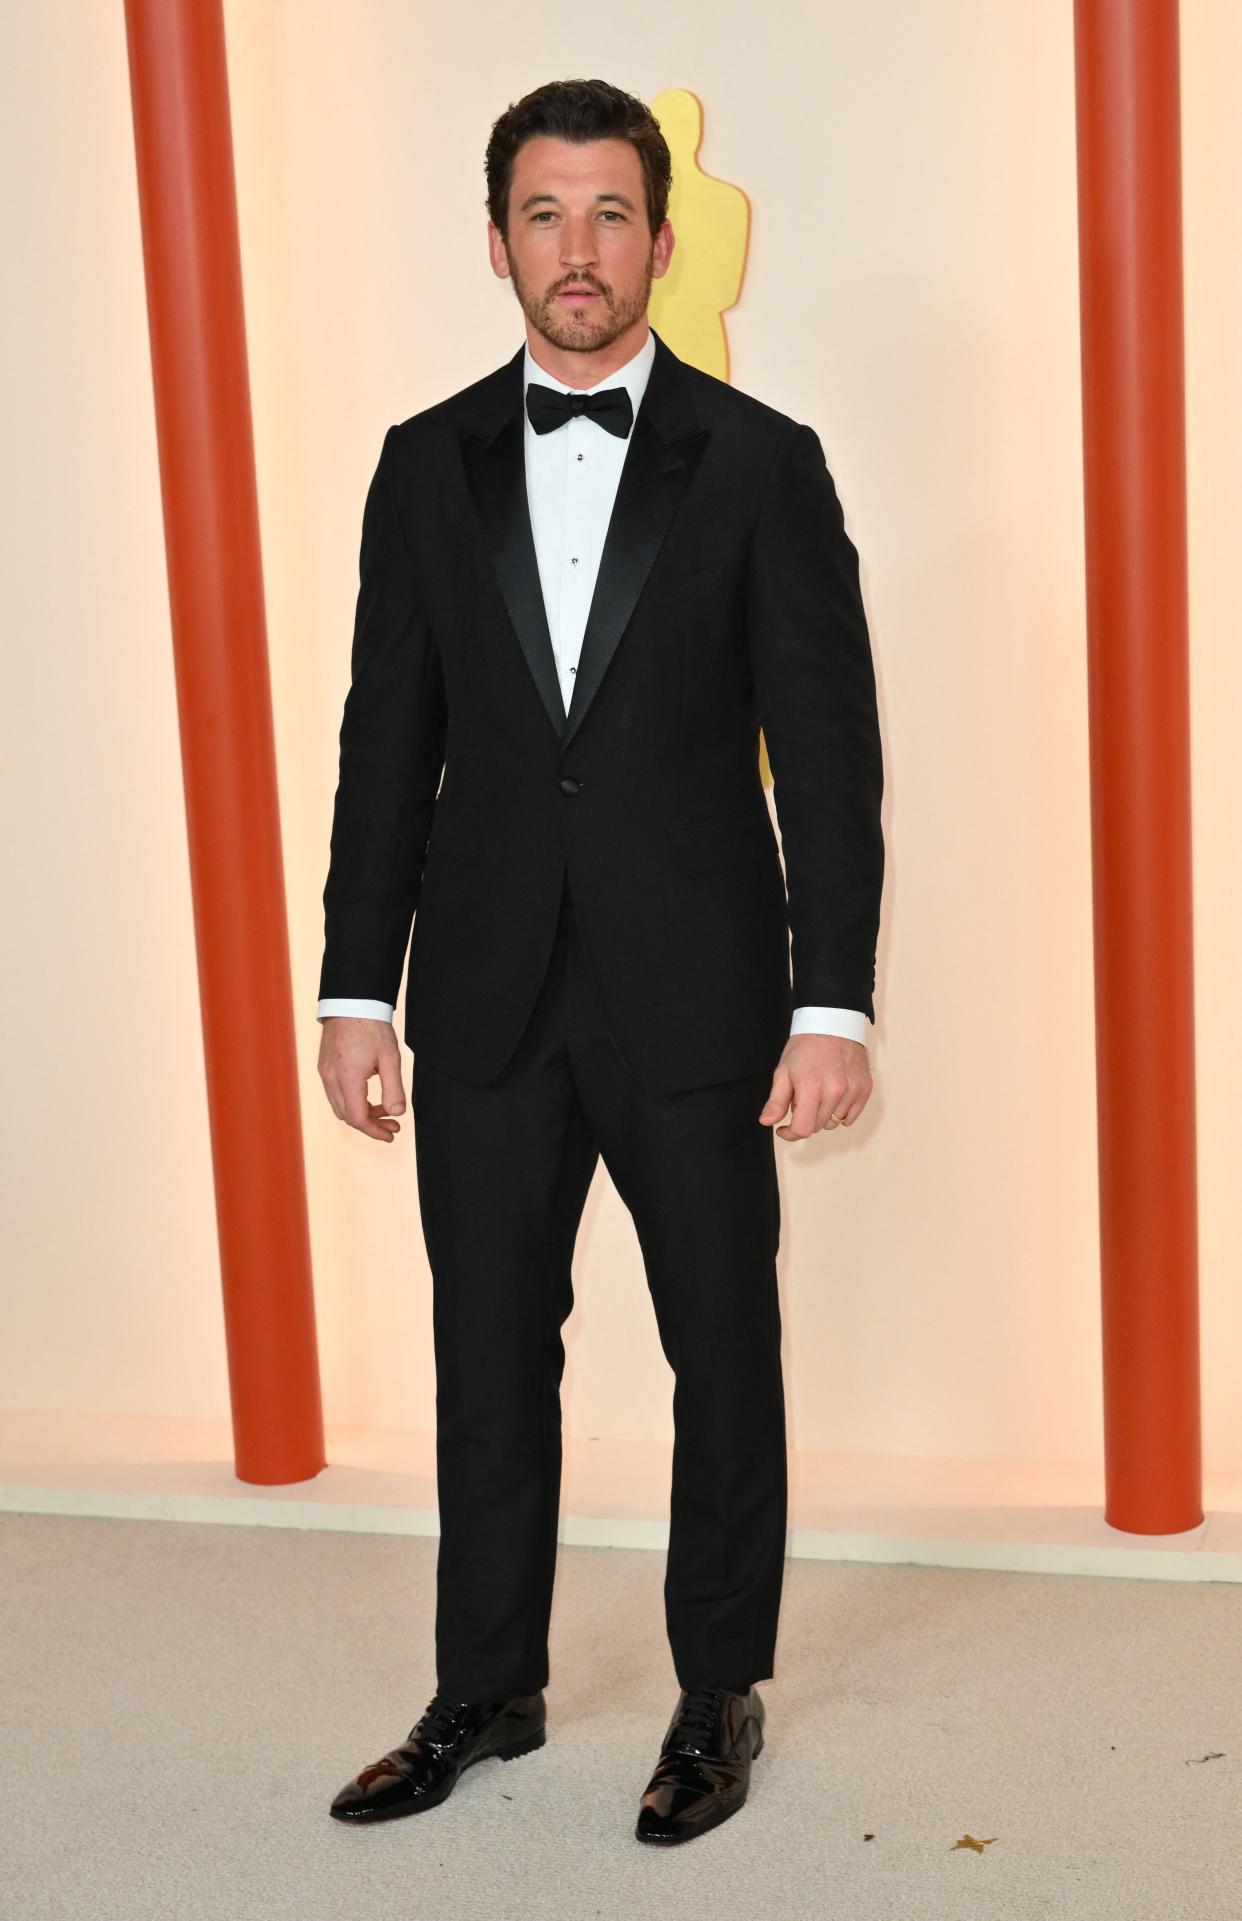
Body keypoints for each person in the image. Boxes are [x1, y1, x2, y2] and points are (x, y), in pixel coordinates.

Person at [315, 76, 884, 1847]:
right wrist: (352, 985)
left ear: (659, 235)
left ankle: (717, 1687)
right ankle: (484, 1682)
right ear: (497, 240)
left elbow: (831, 749)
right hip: (481, 988)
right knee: (486, 1353)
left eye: (610, 214)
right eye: (544, 215)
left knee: (721, 1346)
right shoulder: (421, 462)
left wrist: (831, 994)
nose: (577, 249)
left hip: (700, 995)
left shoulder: (764, 461)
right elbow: (381, 737)